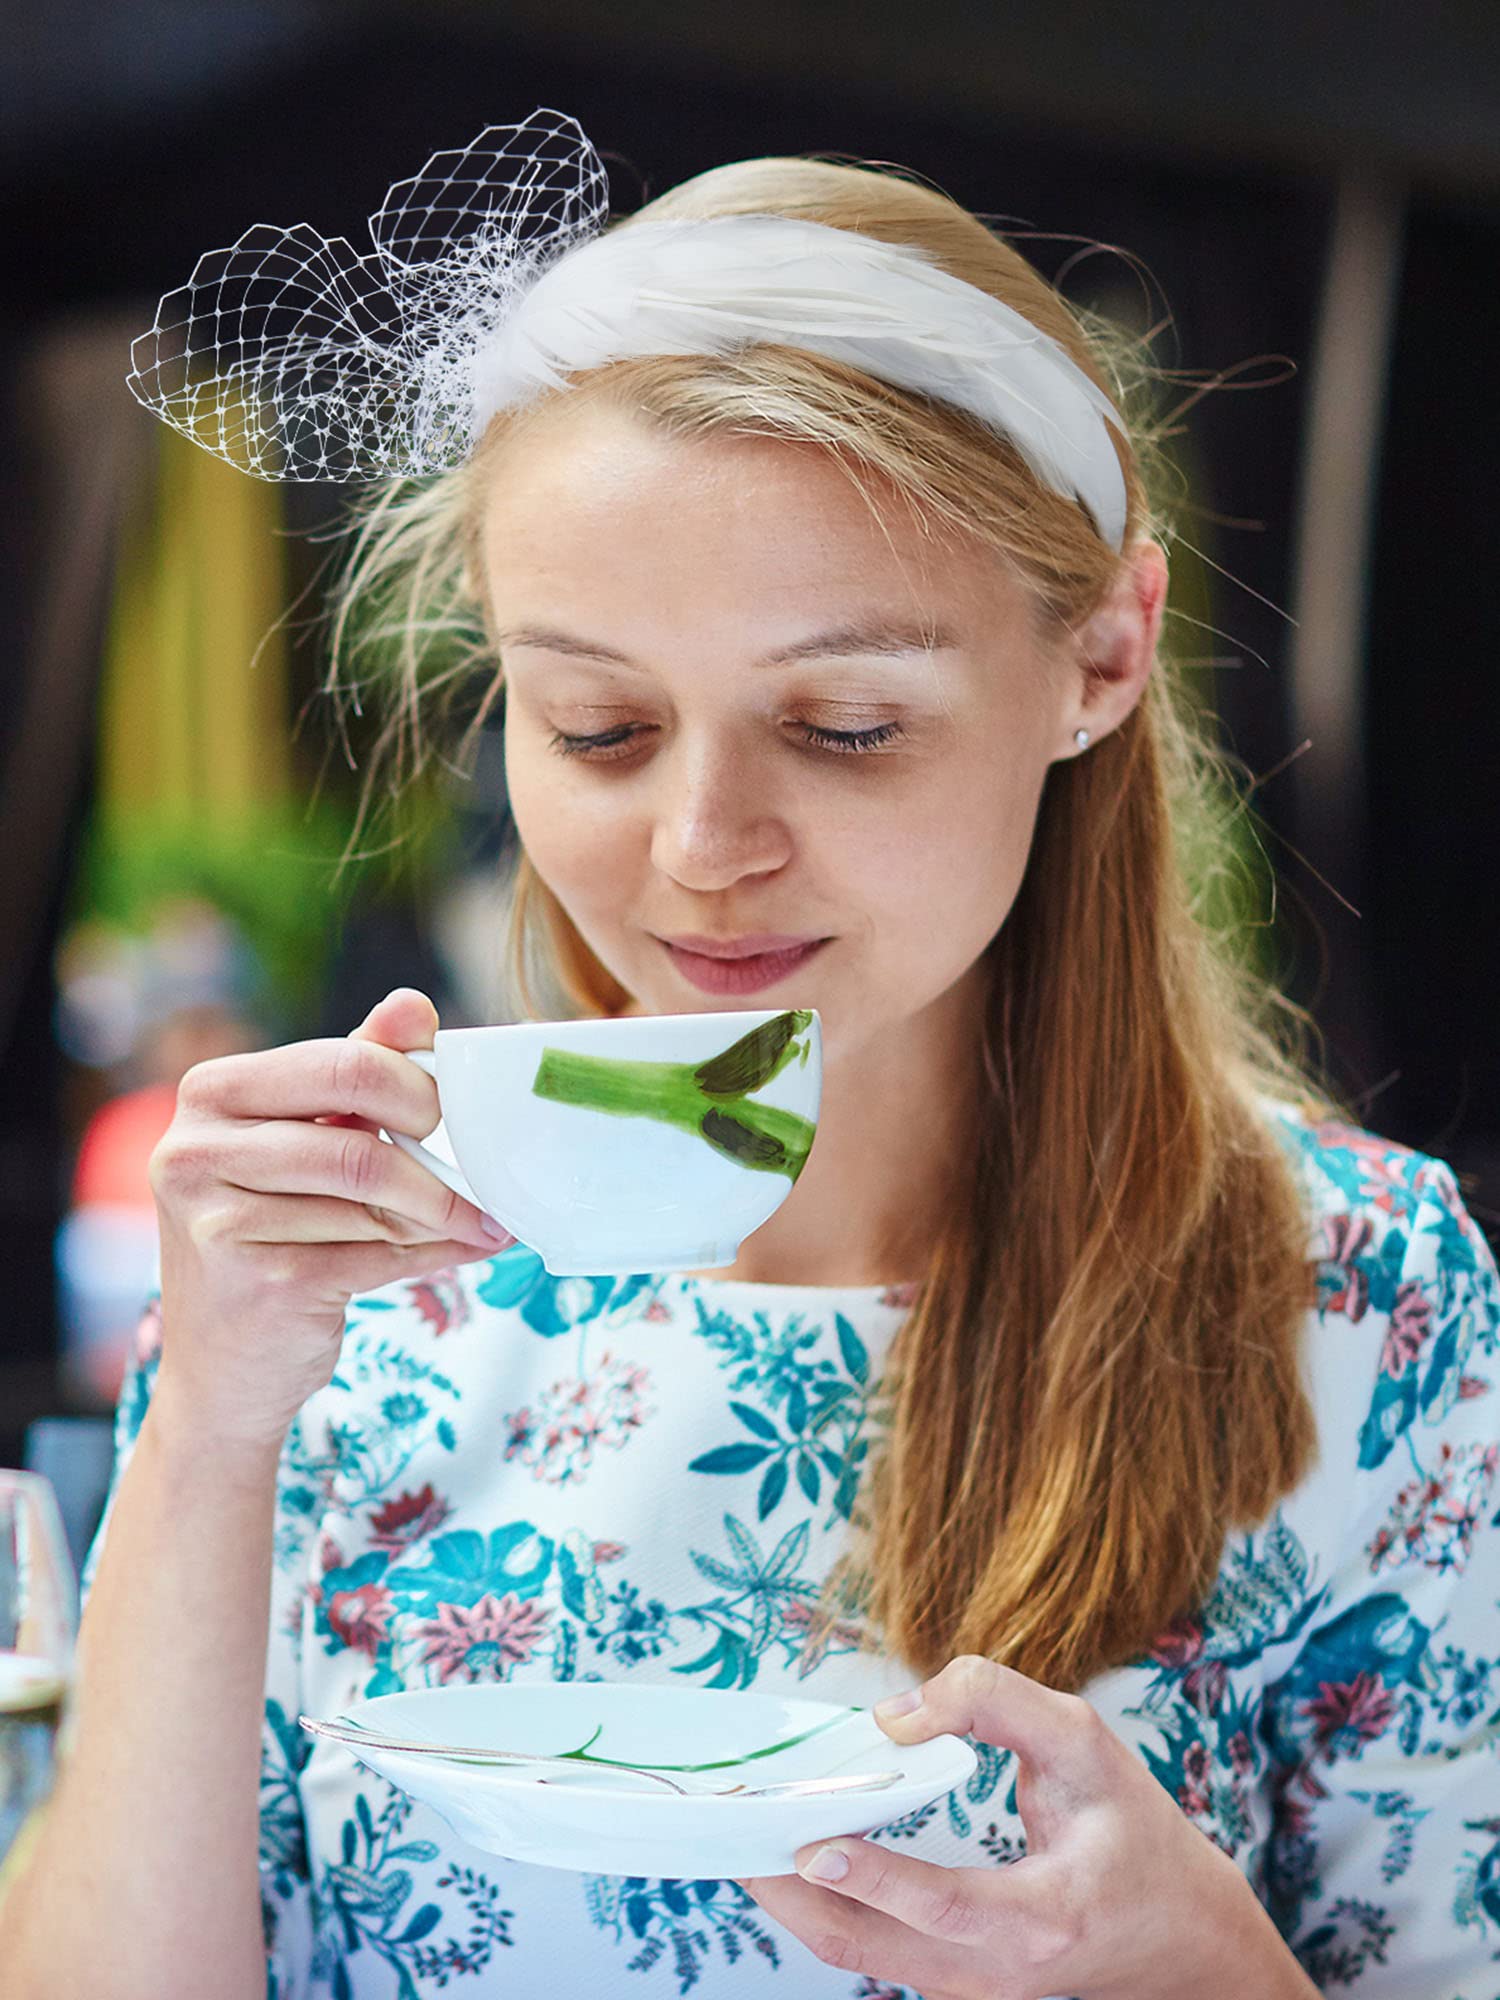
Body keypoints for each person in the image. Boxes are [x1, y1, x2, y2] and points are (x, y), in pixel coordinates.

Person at [3, 111, 1496, 2000]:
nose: (705, 846)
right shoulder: (336, 1298)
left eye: (848, 725)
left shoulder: (1363, 1300)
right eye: (603, 726)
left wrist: (1213, 1972)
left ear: (1104, 658)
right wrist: (209, 1428)